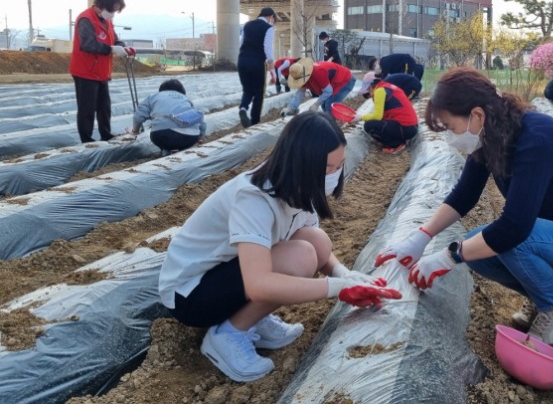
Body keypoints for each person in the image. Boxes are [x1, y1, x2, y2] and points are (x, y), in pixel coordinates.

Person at [374, 67, 553, 347]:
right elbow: (464, 195)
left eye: (450, 127)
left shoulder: (536, 138)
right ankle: (543, 297)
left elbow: (515, 228)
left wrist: (448, 257)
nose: (449, 137)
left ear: (477, 115)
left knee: (508, 238)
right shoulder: (490, 136)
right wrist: (420, 238)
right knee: (476, 247)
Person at [158, 112, 401, 382]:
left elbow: (315, 243)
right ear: (301, 164)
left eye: (339, 166)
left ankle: (253, 318)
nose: (333, 175)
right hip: (190, 294)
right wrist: (339, 289)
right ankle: (227, 334)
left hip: (227, 273)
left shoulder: (299, 187)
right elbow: (258, 285)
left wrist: (345, 275)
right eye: (326, 169)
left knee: (316, 241)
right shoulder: (253, 197)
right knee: (300, 257)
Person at [69, 0, 134, 143]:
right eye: (113, 10)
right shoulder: (86, 19)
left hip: (102, 72)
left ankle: (106, 134)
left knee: (104, 107)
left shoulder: (107, 21)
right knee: (87, 109)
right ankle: (87, 139)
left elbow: (114, 39)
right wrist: (110, 49)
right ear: (103, 5)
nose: (113, 14)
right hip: (86, 71)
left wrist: (122, 47)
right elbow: (88, 44)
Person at [127, 79, 206, 156]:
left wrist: (135, 131)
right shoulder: (186, 99)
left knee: (163, 135)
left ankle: (166, 151)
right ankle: (181, 152)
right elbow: (201, 120)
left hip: (163, 136)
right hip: (190, 137)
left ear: (162, 90)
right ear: (182, 91)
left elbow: (138, 117)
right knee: (182, 142)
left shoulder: (153, 97)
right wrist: (199, 139)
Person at [353, 75, 419, 154]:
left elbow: (378, 116)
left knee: (369, 125)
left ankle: (395, 145)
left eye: (367, 89)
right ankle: (399, 140)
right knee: (379, 122)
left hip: (405, 127)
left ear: (370, 86)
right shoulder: (387, 87)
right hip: (411, 127)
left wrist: (360, 117)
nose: (369, 93)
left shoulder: (379, 91)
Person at [237, 7, 276, 128]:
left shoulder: (247, 25)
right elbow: (267, 49)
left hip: (242, 60)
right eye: (273, 19)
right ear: (270, 17)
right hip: (257, 62)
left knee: (247, 89)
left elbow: (241, 42)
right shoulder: (268, 28)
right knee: (259, 92)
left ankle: (243, 108)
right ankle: (255, 122)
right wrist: (272, 68)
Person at [282, 58, 355, 116]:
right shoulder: (302, 74)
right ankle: (327, 123)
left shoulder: (318, 73)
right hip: (332, 83)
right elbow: (300, 93)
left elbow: (328, 91)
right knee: (324, 106)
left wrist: (316, 104)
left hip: (345, 80)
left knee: (329, 106)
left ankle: (329, 129)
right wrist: (291, 107)